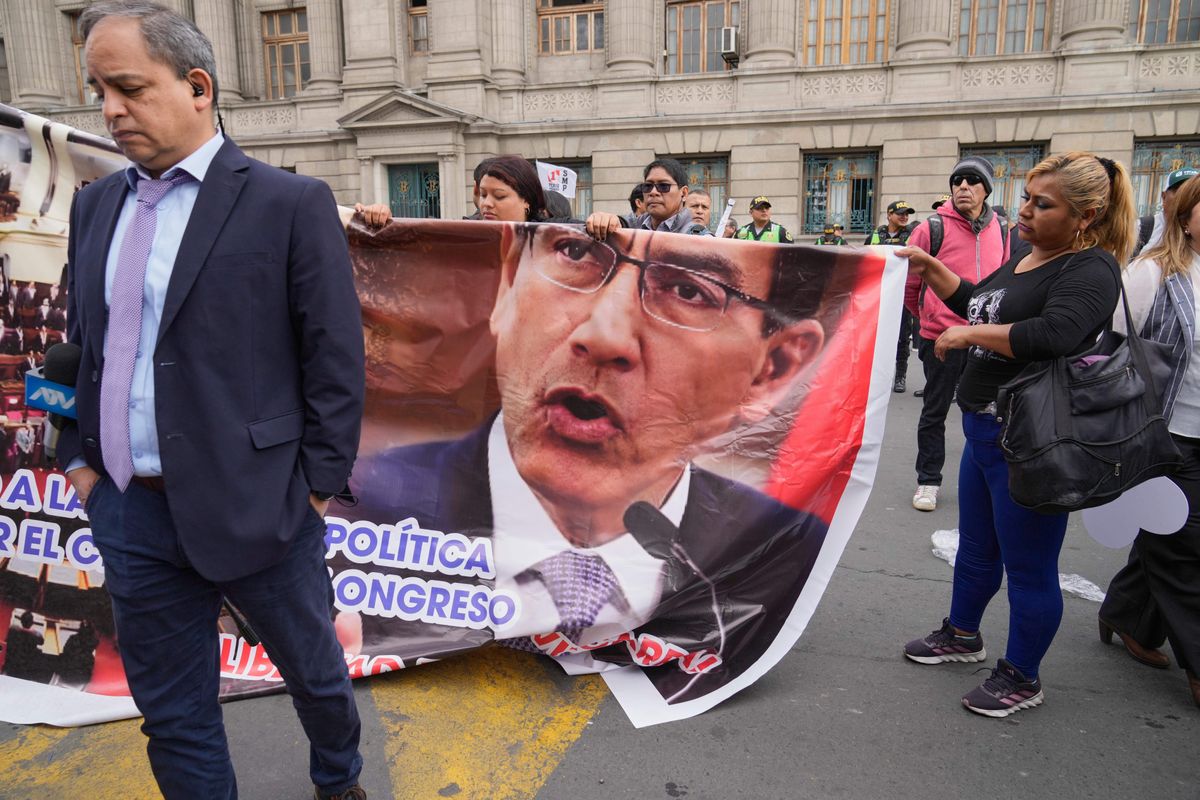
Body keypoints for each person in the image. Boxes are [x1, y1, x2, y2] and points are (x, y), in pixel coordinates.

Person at [61, 3, 367, 799]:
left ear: (197, 86)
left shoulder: (288, 203)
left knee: (316, 676)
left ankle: (339, 777)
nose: (110, 110)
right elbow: (79, 349)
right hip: (129, 511)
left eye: (129, 88)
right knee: (175, 717)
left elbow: (335, 362)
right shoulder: (94, 206)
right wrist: (80, 468)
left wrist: (312, 492)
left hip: (261, 510)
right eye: (99, 91)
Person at [348, 225, 833, 704]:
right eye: (576, 253)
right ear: (509, 280)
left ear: (773, 370)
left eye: (689, 291)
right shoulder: (359, 509)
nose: (604, 336)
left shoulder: (776, 547)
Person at [899, 151, 1134, 717]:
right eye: (1027, 198)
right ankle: (962, 634)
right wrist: (929, 267)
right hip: (984, 430)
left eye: (1042, 204)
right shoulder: (1028, 256)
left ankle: (1022, 675)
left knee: (1029, 568)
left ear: (1086, 215)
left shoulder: (1092, 268)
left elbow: (1053, 334)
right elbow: (979, 301)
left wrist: (967, 336)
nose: (1024, 210)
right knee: (977, 548)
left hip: (1030, 441)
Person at [1098, 174, 1200, 709]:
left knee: (1169, 533)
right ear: (1185, 217)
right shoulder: (1152, 272)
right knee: (1185, 547)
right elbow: (1115, 348)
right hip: (1166, 434)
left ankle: (1126, 613)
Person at [904, 156, 1008, 512]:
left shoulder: (1002, 229)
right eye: (958, 180)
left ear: (986, 189)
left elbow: (1006, 279)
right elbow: (910, 285)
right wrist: (929, 319)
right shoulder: (931, 228)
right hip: (941, 338)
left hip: (986, 338)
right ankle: (928, 481)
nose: (963, 186)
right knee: (935, 411)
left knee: (987, 413)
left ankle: (985, 482)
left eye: (973, 180)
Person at [585, 157, 713, 238]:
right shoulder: (630, 227)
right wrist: (605, 221)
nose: (653, 192)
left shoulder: (701, 240)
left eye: (663, 186)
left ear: (684, 193)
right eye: (648, 186)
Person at [865, 201, 917, 393]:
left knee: (902, 337)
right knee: (876, 336)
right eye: (900, 213)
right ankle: (877, 376)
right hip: (878, 294)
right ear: (889, 215)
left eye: (907, 214)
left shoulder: (913, 235)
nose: (904, 217)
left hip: (902, 293)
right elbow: (864, 259)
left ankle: (900, 376)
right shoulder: (875, 235)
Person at [1135, 167, 1199, 258]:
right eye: (1179, 191)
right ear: (1164, 197)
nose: (1185, 197)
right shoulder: (1141, 228)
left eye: (1194, 193)